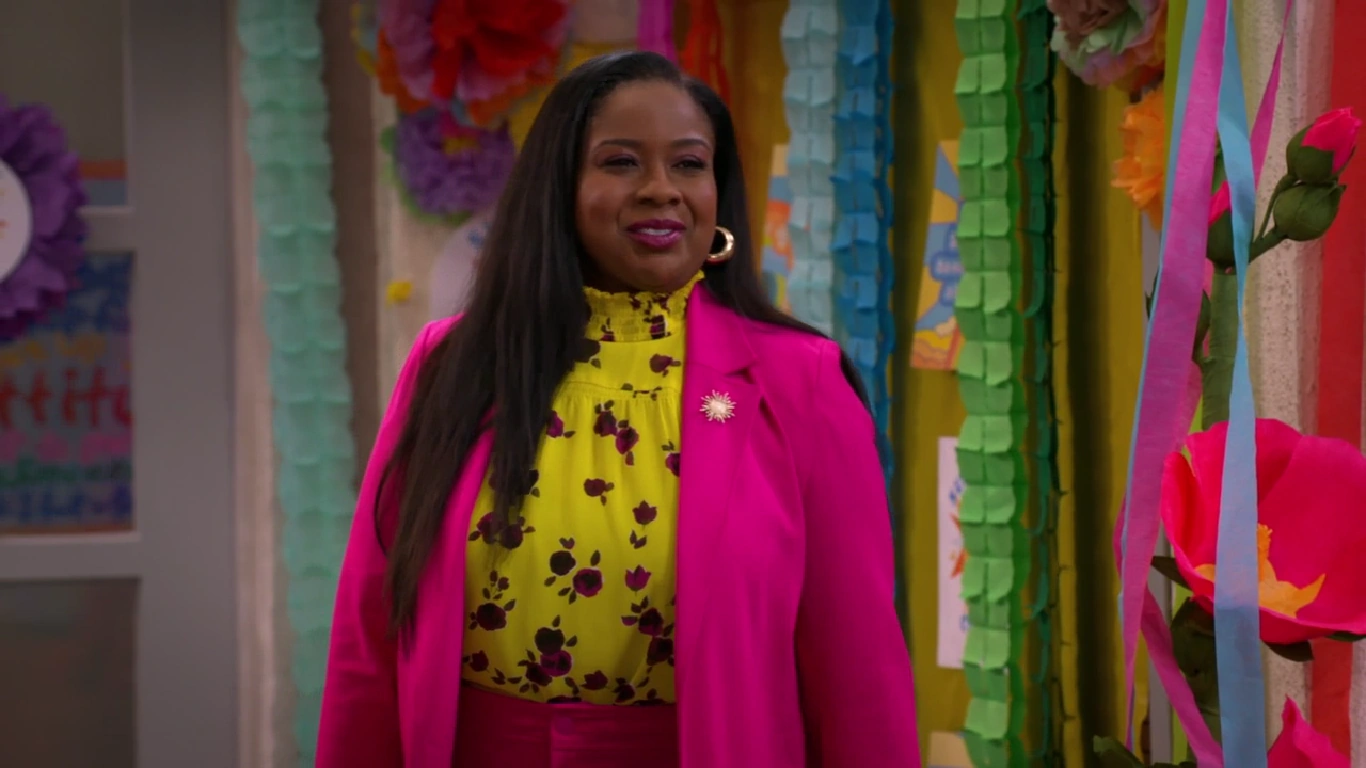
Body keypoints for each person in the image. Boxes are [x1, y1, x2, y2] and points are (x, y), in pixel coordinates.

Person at [317, 51, 920, 768]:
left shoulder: (801, 384)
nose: (661, 189)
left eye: (689, 164)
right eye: (622, 162)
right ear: (558, 188)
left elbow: (858, 676)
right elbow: (368, 640)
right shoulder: (453, 363)